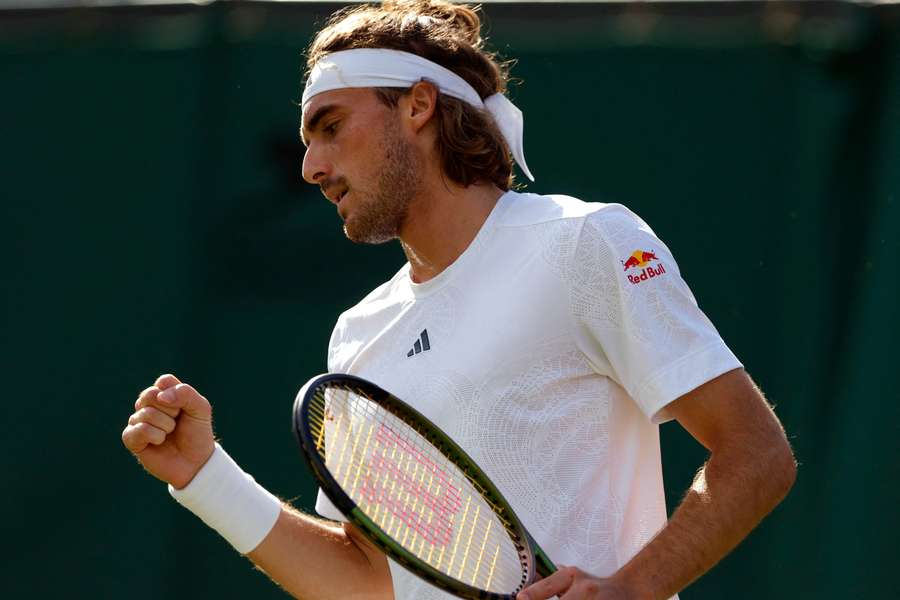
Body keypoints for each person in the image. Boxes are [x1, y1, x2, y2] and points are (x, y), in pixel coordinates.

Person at [121, 1, 796, 599]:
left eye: (330, 126)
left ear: (417, 105)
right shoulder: (357, 335)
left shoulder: (583, 241)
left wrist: (634, 588)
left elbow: (756, 452)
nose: (310, 167)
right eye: (306, 142)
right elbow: (369, 583)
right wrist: (205, 477)